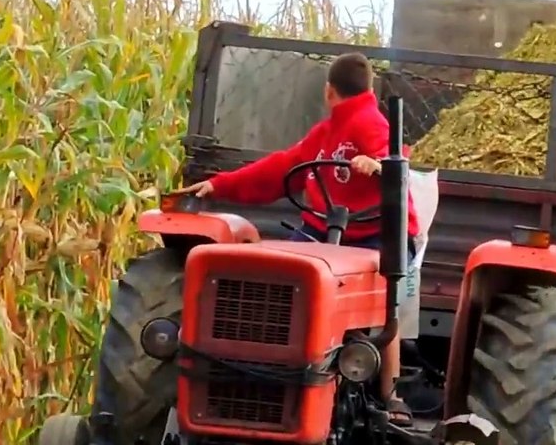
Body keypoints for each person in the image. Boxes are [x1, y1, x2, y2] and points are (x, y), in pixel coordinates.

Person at [174, 51, 420, 426]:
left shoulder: (369, 120)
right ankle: (254, 372)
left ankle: (390, 394)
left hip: (376, 232)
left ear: (328, 92)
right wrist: (219, 184)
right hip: (325, 230)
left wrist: (377, 165)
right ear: (367, 86)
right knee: (279, 277)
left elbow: (395, 154)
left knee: (386, 297)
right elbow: (278, 168)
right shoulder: (324, 135)